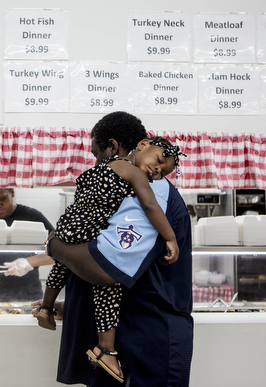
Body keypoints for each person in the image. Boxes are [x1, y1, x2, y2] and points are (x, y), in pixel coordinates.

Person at [42, 136, 193, 386]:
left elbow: (105, 270)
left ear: (114, 146)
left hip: (148, 343)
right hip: (133, 338)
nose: (99, 164)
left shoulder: (148, 192)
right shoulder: (123, 187)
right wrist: (72, 307)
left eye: (97, 154)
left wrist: (53, 245)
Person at [0, 188, 55, 302]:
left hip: (29, 297)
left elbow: (58, 252)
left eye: (2, 199)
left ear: (12, 192)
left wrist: (28, 262)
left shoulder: (33, 217)